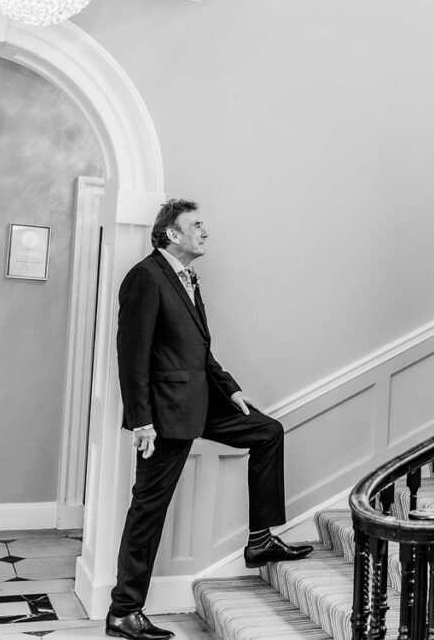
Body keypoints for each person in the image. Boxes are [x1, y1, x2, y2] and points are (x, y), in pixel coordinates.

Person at [106, 199, 312, 640]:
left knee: (267, 431)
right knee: (148, 508)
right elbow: (132, 356)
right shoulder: (145, 277)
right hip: (164, 417)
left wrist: (231, 389)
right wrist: (141, 421)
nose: (204, 232)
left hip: (203, 402)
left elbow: (199, 352)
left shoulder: (186, 280)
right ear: (171, 234)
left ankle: (259, 540)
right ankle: (124, 611)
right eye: (195, 225)